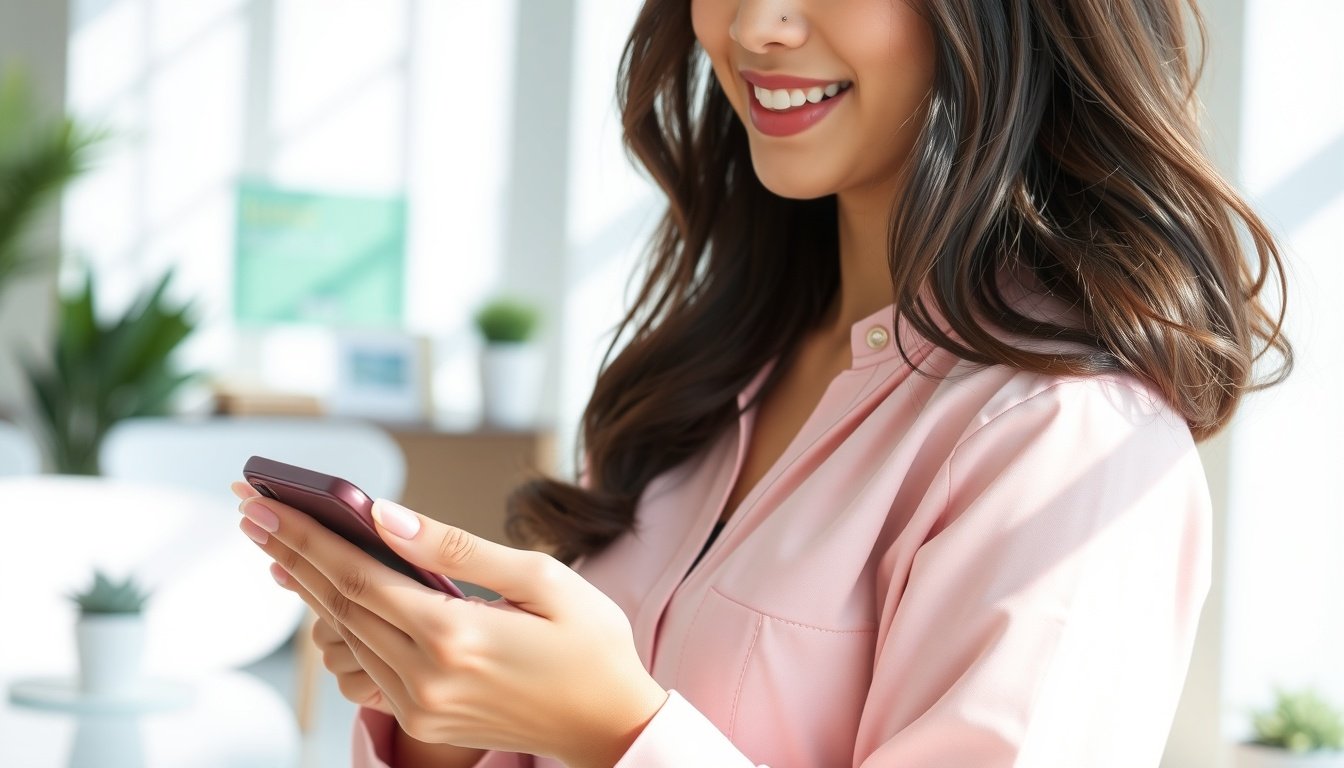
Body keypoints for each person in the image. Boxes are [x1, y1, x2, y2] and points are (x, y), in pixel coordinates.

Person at [232, 0, 1291, 765]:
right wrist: (449, 716)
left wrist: (614, 734)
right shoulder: (706, 374)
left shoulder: (1069, 442)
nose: (754, 25)